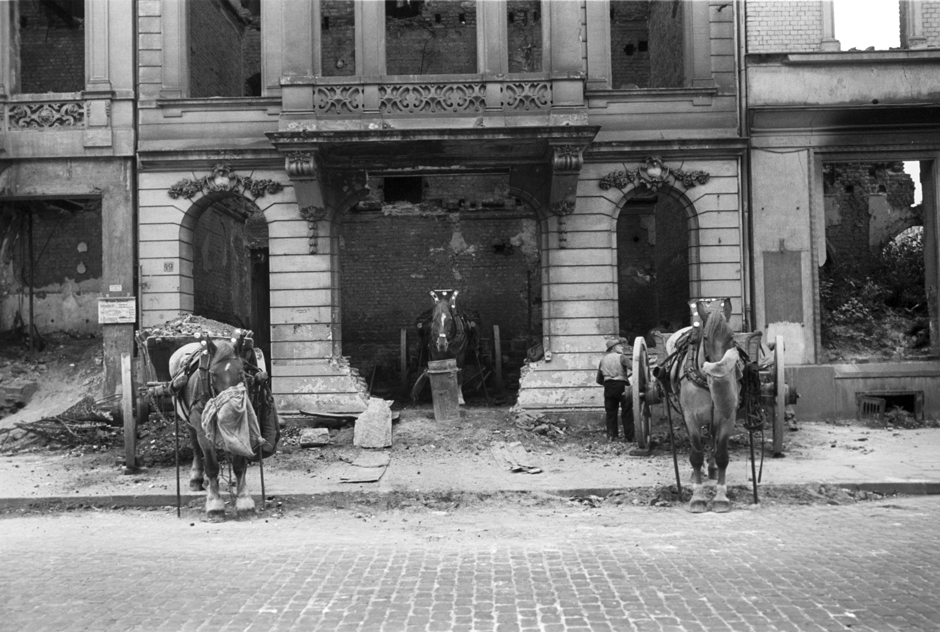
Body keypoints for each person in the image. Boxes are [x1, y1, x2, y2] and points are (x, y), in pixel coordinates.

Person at [596, 339, 634, 442]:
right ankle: (629, 437)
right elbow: (635, 368)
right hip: (622, 386)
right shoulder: (622, 357)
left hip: (608, 387)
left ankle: (612, 436)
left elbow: (599, 379)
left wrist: (608, 383)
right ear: (613, 348)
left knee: (611, 412)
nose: (622, 347)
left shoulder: (602, 360)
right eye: (619, 346)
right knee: (627, 411)